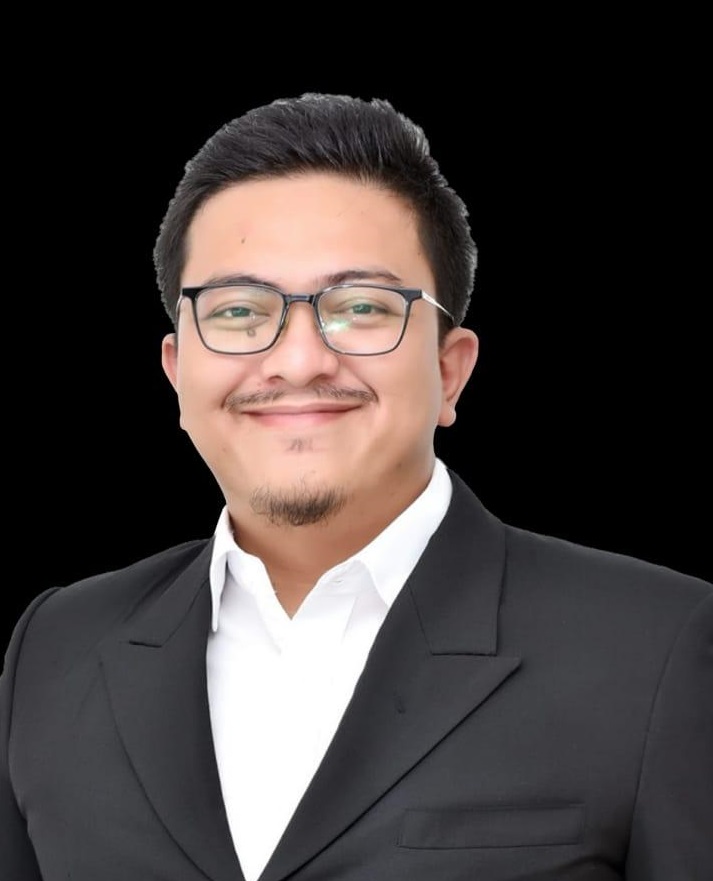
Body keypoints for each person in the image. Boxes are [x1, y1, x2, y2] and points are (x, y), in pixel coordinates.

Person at [1, 92, 711, 881]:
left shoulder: (656, 648)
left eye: (361, 306)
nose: (298, 360)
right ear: (177, 372)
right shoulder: (57, 647)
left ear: (449, 370)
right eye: (237, 311)